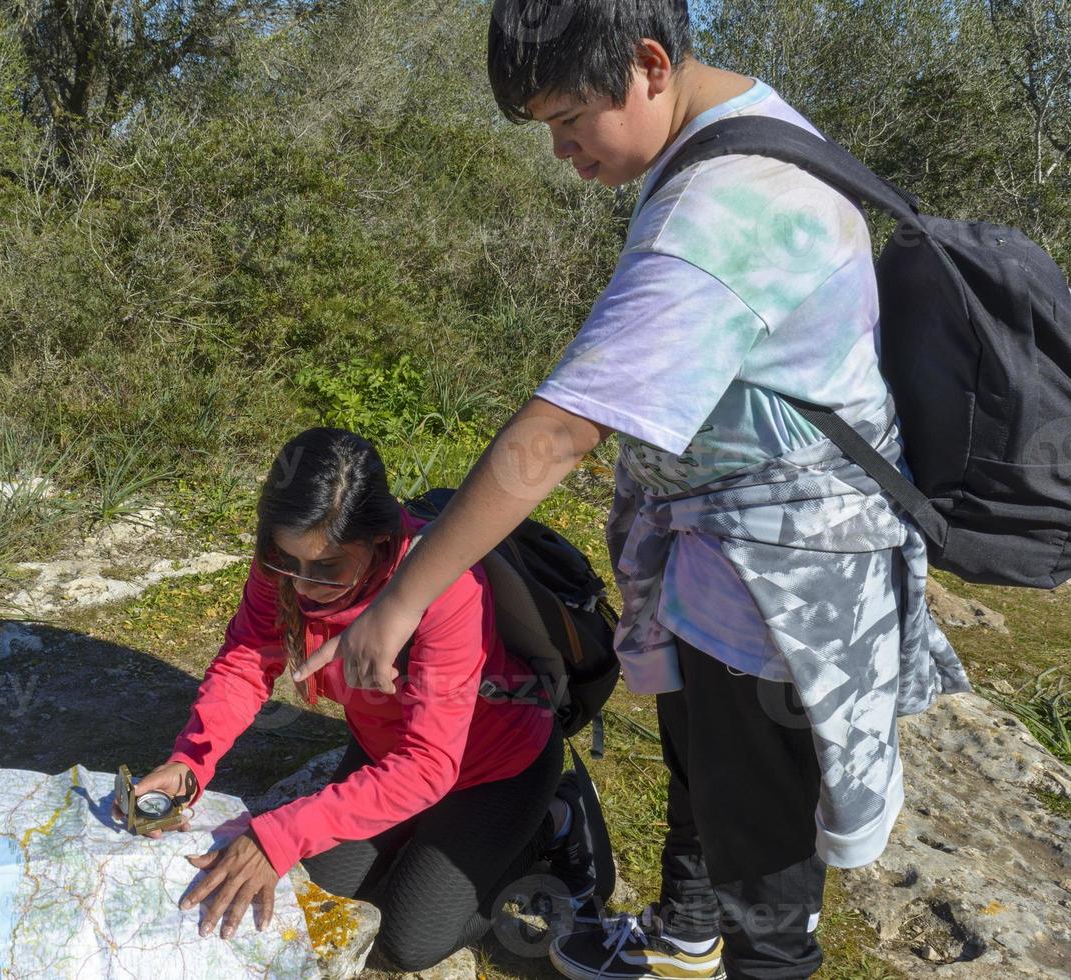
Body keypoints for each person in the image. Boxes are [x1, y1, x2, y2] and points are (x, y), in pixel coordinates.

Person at [289, 3, 970, 979]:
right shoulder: (741, 131)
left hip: (780, 592)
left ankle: (741, 949)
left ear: (650, 65)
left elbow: (557, 435)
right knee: (701, 768)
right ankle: (689, 929)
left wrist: (402, 599)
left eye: (569, 119)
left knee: (767, 886)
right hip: (734, 564)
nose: (563, 151)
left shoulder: (718, 211)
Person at [121, 427, 600, 972]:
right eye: (285, 561)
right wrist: (190, 762)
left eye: (327, 568)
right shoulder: (284, 561)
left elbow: (428, 767)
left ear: (379, 540)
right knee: (322, 899)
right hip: (384, 754)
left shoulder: (447, 587)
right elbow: (250, 656)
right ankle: (429, 839)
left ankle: (553, 816)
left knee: (405, 943)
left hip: (495, 767)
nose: (301, 585)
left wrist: (278, 834)